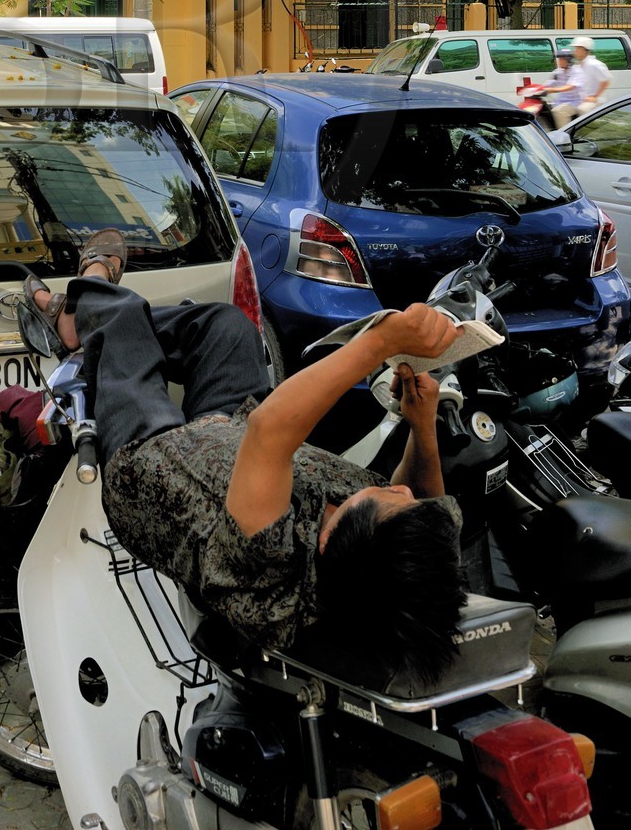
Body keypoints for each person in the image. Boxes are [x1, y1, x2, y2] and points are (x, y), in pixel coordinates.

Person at [24, 231, 466, 692]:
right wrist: (421, 423)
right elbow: (428, 501)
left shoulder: (271, 564)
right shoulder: (405, 562)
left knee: (122, 323)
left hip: (155, 460)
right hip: (232, 434)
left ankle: (89, 301)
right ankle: (99, 321)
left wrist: (380, 342)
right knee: (227, 326)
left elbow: (270, 432)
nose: (401, 489)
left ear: (329, 539)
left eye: (390, 498)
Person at [548, 34, 611, 128]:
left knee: (582, 110)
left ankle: (588, 134)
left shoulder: (594, 64)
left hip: (594, 100)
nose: (574, 51)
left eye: (577, 48)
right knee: (558, 109)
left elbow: (606, 80)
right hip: (581, 99)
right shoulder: (580, 65)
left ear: (584, 49)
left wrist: (595, 96)